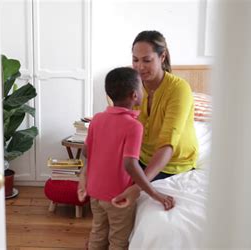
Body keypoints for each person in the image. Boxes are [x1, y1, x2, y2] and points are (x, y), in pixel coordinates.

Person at [77, 67, 174, 250]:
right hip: (118, 197)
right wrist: (155, 193)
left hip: (95, 193)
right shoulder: (134, 126)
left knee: (97, 234)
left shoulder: (97, 119)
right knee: (119, 241)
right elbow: (130, 164)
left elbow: (86, 152)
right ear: (134, 95)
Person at [112, 30, 199, 204]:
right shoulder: (133, 85)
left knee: (132, 197)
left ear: (162, 56)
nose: (139, 67)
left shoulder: (179, 89)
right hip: (140, 158)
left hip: (174, 163)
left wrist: (138, 187)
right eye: (135, 60)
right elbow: (120, 125)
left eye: (147, 60)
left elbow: (167, 145)